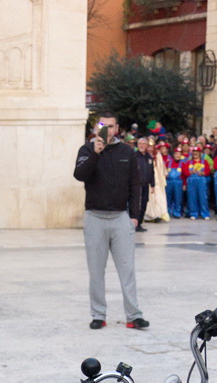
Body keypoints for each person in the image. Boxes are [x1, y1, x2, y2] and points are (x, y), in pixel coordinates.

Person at [74, 112, 148, 330]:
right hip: (95, 217)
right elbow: (79, 175)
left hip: (120, 218)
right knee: (96, 271)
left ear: (118, 129)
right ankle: (98, 315)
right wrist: (96, 153)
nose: (108, 130)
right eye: (103, 126)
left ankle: (134, 316)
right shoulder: (87, 149)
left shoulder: (127, 151)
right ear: (97, 128)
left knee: (128, 270)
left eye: (112, 126)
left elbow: (135, 185)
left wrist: (134, 216)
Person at [184, 145, 213, 220]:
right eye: (194, 152)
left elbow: (208, 171)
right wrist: (190, 172)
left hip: (201, 181)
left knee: (203, 197)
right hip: (191, 181)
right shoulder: (189, 162)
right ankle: (193, 213)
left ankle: (205, 213)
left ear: (200, 153)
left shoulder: (204, 161)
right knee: (192, 197)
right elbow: (185, 172)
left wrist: (203, 173)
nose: (195, 153)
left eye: (197, 152)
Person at [133, 136, 154, 232]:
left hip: (146, 185)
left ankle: (140, 223)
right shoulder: (134, 156)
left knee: (144, 204)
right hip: (136, 185)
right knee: (136, 205)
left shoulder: (149, 157)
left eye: (143, 144)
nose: (141, 145)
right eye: (140, 144)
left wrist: (153, 184)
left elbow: (151, 171)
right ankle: (134, 224)